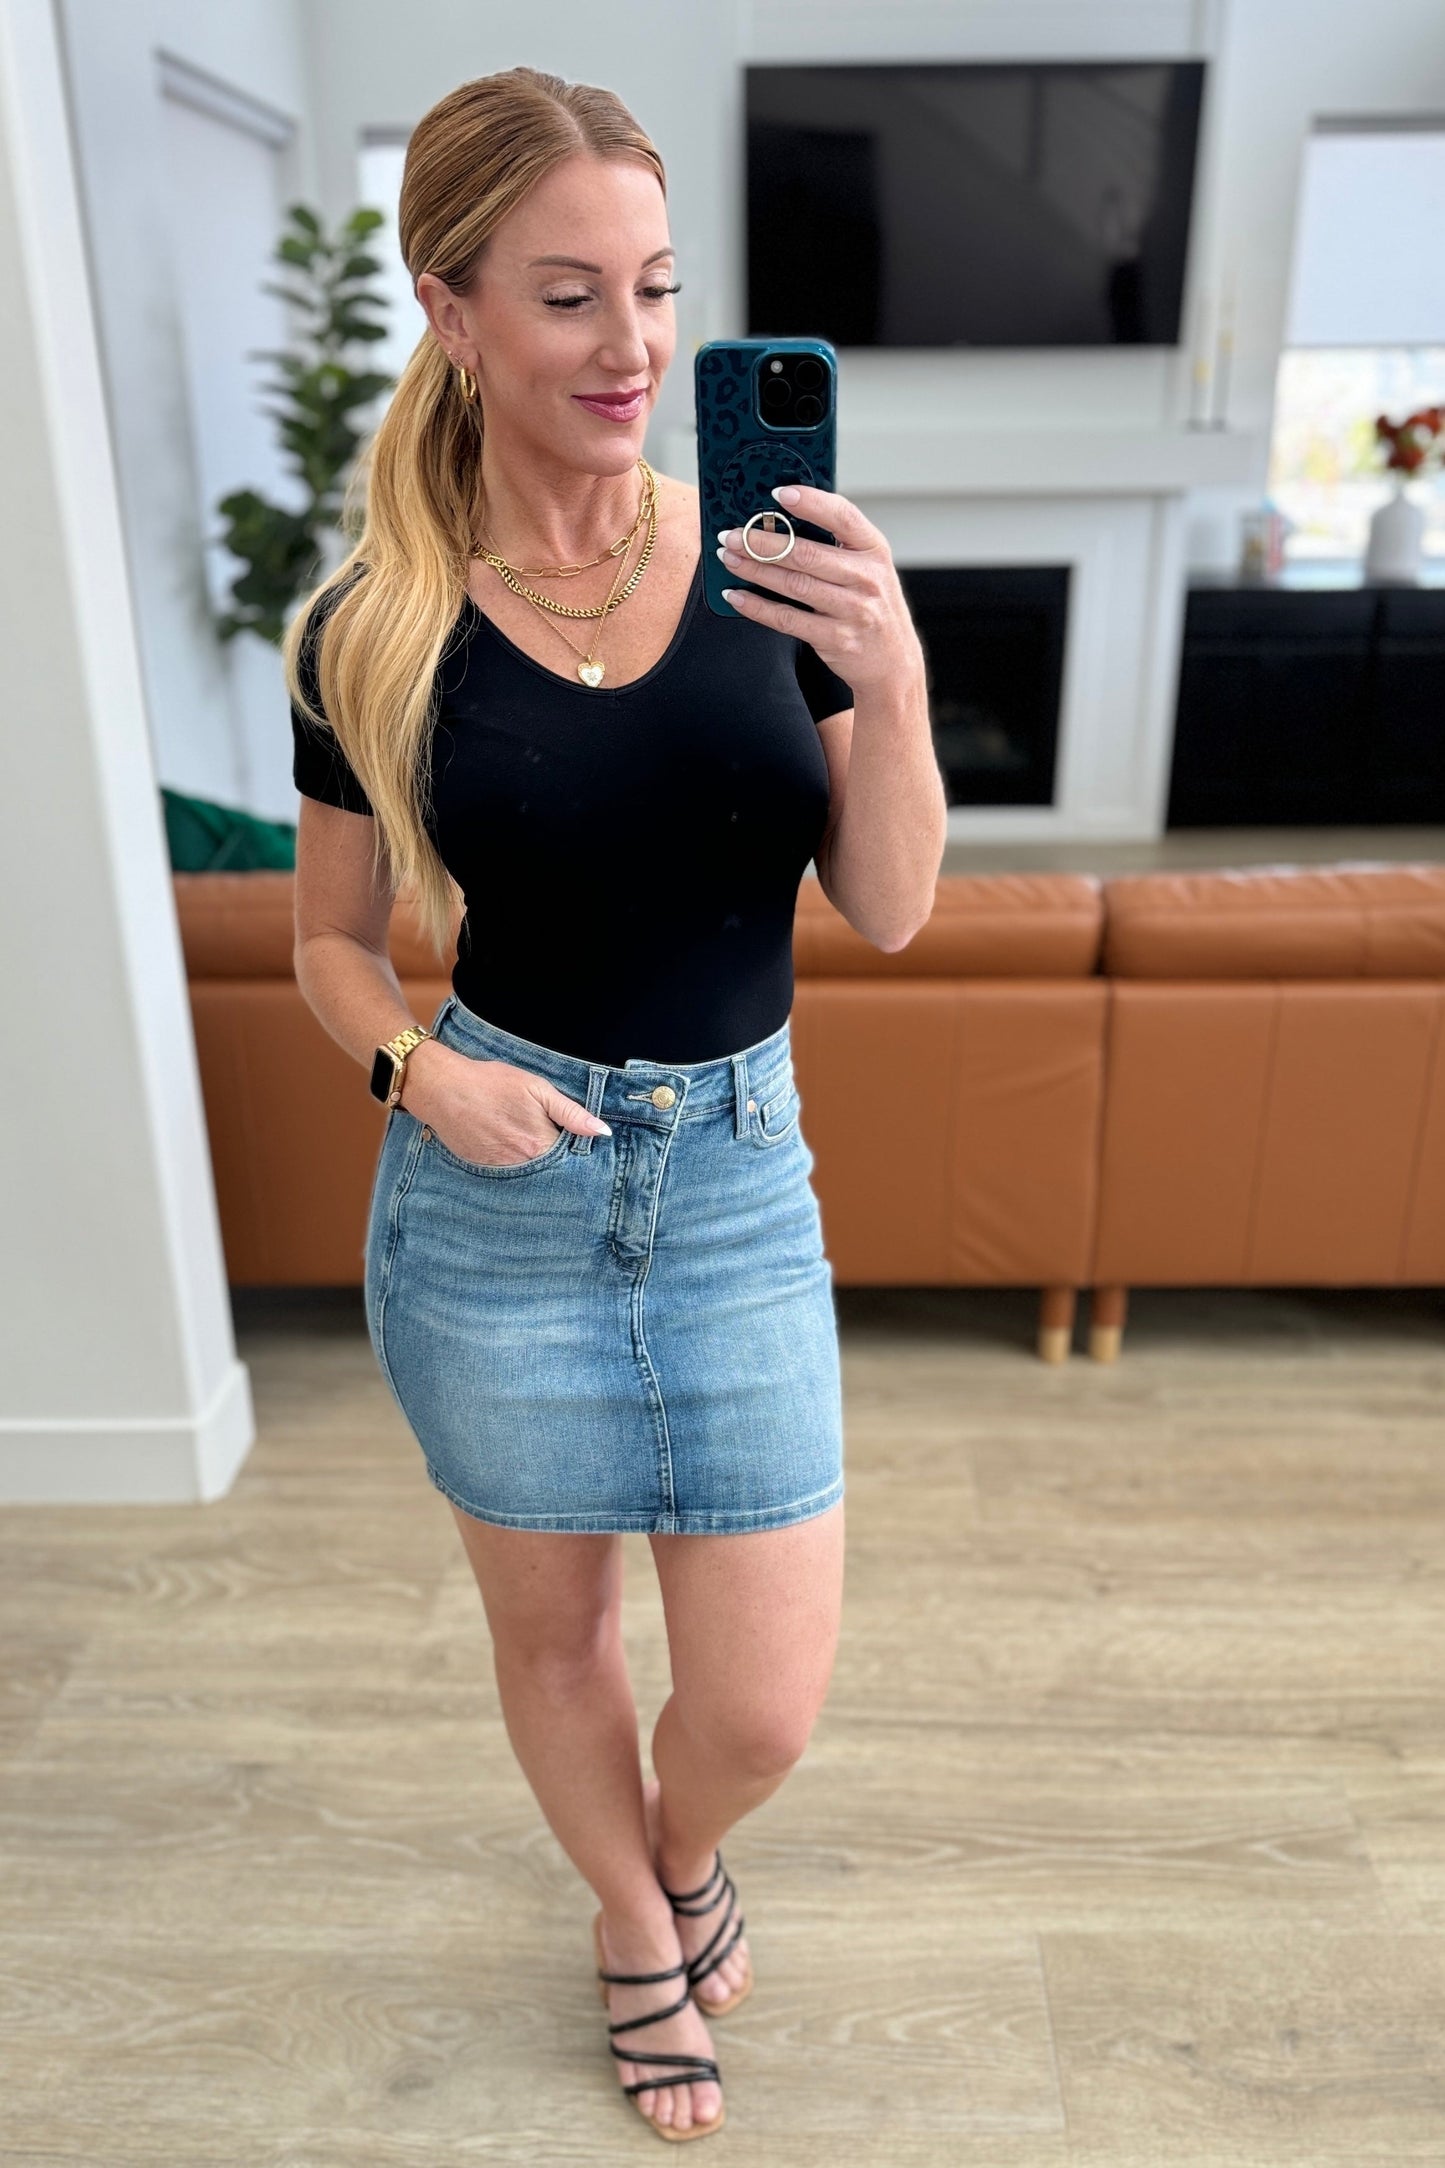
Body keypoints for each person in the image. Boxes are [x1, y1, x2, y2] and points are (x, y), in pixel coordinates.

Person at [285, 64, 943, 2142]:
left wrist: (895, 677)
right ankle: (635, 1920)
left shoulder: (776, 569)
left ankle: (675, 1843)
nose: (633, 344)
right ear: (453, 308)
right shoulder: (370, 629)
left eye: (655, 287)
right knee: (554, 1636)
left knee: (760, 1704)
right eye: (569, 295)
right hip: (495, 1199)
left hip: (735, 1185)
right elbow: (328, 947)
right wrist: (422, 1076)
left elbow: (891, 905)